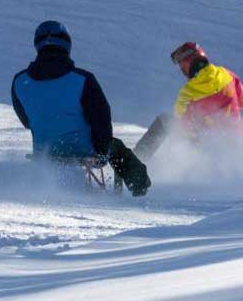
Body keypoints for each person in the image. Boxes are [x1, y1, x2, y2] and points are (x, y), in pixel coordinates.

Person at [11, 20, 150, 196]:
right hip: (83, 150)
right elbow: (101, 120)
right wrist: (101, 151)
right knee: (116, 147)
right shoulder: (82, 80)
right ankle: (140, 188)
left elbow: (26, 120)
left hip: (44, 152)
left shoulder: (19, 81)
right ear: (66, 44)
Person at [134, 42, 243, 159]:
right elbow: (242, 101)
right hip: (236, 143)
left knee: (166, 120)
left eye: (181, 66)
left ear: (187, 63)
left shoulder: (187, 92)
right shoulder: (227, 74)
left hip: (209, 149)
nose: (182, 71)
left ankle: (137, 159)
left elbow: (182, 125)